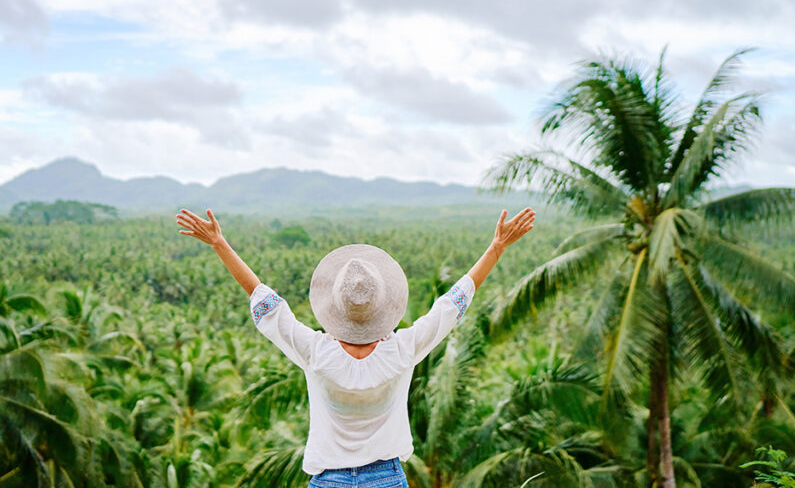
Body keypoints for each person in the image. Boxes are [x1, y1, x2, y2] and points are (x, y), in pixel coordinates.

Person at [176, 207, 537, 487]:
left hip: (328, 480)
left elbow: (266, 300)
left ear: (335, 309)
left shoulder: (316, 352)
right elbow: (451, 305)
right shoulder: (402, 351)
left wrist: (220, 244)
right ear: (384, 307)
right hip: (387, 478)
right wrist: (496, 247)